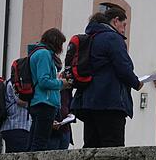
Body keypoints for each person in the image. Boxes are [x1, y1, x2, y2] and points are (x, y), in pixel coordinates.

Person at [71, 8, 142, 148]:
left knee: (91, 144)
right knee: (112, 146)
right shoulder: (112, 38)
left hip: (88, 102)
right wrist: (136, 82)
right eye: (124, 25)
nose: (124, 30)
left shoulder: (91, 37)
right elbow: (123, 67)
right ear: (115, 21)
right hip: (110, 100)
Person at [28, 28, 69, 152]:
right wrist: (62, 83)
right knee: (41, 142)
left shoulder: (36, 53)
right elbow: (44, 81)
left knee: (34, 140)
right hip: (45, 102)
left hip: (37, 101)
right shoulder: (44, 54)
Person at [0, 79, 31, 153]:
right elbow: (21, 101)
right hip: (16, 126)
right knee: (19, 158)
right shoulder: (15, 83)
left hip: (17, 127)